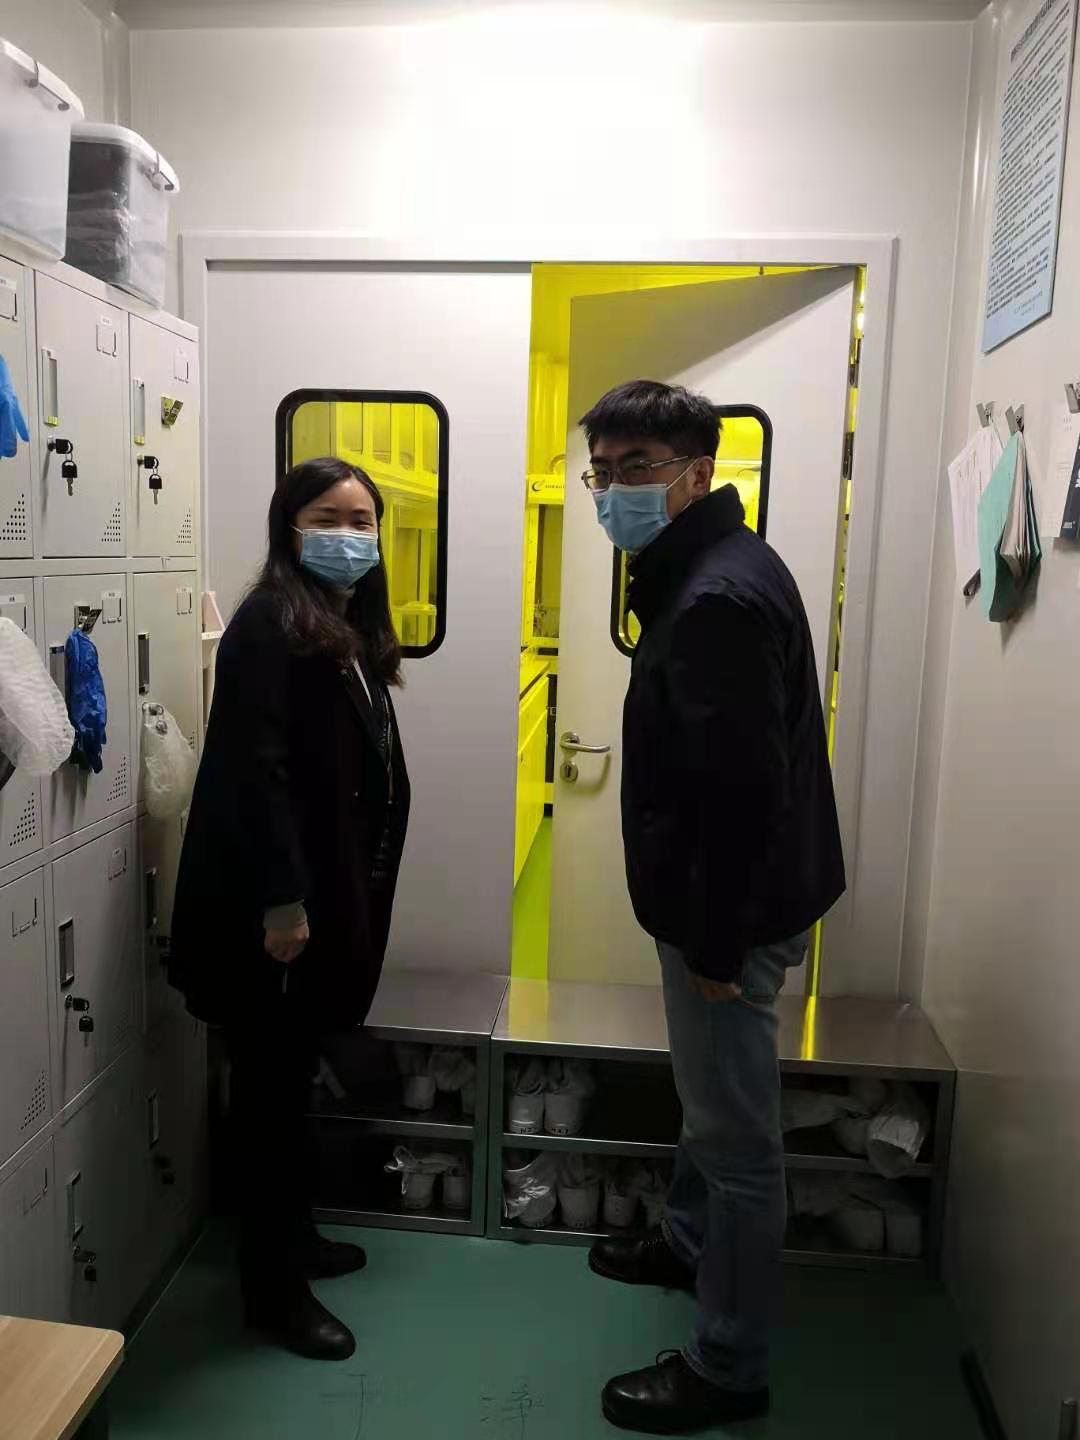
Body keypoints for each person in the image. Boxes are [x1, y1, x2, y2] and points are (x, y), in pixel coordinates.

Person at [580, 381, 846, 1434]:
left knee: (735, 1142)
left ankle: (729, 1367)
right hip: (732, 899)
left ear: (697, 473)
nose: (614, 489)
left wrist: (719, 945)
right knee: (708, 1102)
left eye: (636, 468)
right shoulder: (712, 563)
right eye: (602, 472)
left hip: (730, 912)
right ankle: (686, 1245)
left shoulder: (714, 599)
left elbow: (742, 796)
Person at [169, 456, 410, 1362]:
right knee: (268, 1101)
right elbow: (253, 774)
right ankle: (271, 1294)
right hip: (271, 915)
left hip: (314, 899)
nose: (348, 534)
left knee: (292, 1081)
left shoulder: (342, 626)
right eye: (327, 517)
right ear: (290, 527)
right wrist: (281, 903)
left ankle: (296, 1240)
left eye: (362, 520)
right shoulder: (269, 624)